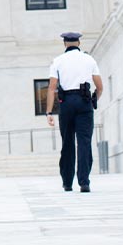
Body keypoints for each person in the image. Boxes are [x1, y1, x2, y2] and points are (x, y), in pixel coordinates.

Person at [45, 32, 103, 193]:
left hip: (66, 104)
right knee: (84, 143)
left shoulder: (57, 61)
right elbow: (99, 87)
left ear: (65, 44)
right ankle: (84, 182)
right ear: (78, 43)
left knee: (67, 143)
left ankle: (67, 183)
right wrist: (93, 100)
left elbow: (51, 88)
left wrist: (49, 112)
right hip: (84, 102)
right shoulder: (89, 59)